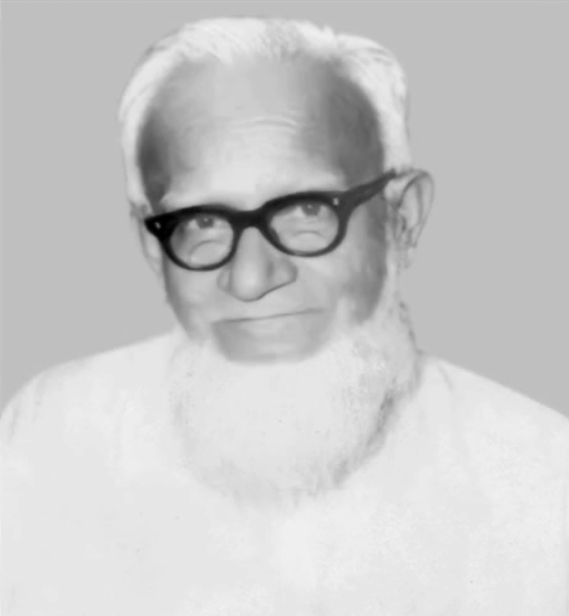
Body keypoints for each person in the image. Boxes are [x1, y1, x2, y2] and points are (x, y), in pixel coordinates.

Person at [1, 16, 568, 616]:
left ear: (401, 219)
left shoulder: (541, 477)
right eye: (200, 221)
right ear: (150, 245)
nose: (251, 279)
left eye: (307, 211)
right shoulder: (52, 436)